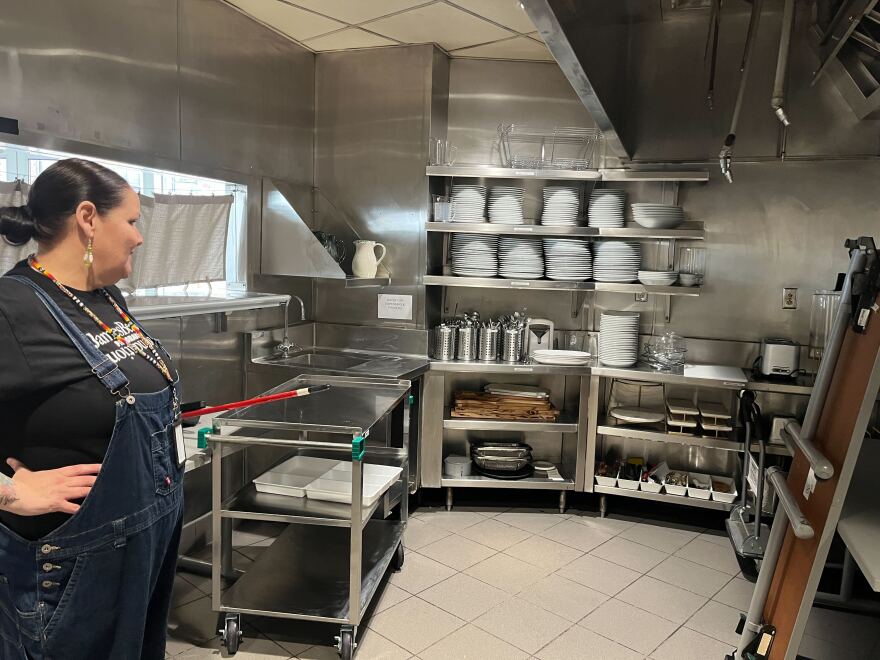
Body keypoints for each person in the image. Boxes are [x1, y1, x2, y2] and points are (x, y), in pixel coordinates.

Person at [0, 158, 183, 659]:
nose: (139, 237)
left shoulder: (104, 297)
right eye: (131, 221)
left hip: (140, 549)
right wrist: (10, 492)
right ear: (88, 218)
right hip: (70, 574)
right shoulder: (12, 310)